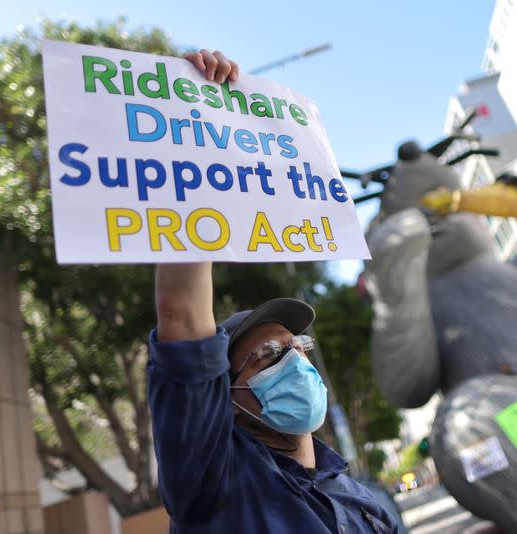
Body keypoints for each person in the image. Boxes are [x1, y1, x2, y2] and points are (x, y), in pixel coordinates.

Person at [148, 51, 401, 533]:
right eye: (267, 353)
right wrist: (188, 122)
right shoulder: (216, 484)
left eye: (296, 347)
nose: (295, 362)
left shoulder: (364, 500)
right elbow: (179, 312)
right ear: (226, 396)